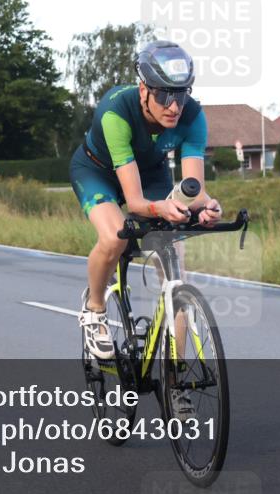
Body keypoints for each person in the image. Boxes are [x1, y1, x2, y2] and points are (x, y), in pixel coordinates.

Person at [70, 41, 222, 370]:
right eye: (165, 95)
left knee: (175, 266)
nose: (174, 106)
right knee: (115, 237)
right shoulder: (116, 112)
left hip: (151, 172)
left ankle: (175, 381)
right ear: (143, 90)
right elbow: (137, 204)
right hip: (98, 171)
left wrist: (208, 206)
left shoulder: (194, 116)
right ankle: (94, 307)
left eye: (181, 94)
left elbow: (193, 189)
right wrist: (160, 210)